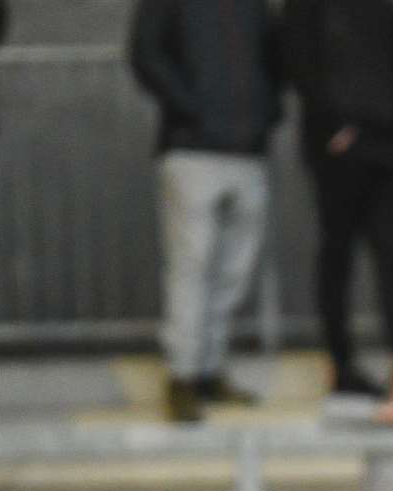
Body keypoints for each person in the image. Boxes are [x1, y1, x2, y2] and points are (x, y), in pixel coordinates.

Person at [283, 0, 393, 420]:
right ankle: (341, 363)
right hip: (338, 151)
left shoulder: (386, 9)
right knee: (338, 254)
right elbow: (300, 65)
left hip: (390, 150)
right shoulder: (305, 10)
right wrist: (334, 128)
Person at [129, 0, 282, 423]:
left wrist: (267, 112)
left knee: (235, 271)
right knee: (192, 267)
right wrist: (191, 108)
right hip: (191, 148)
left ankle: (209, 369)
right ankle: (182, 374)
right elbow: (146, 54)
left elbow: (274, 53)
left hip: (247, 150)